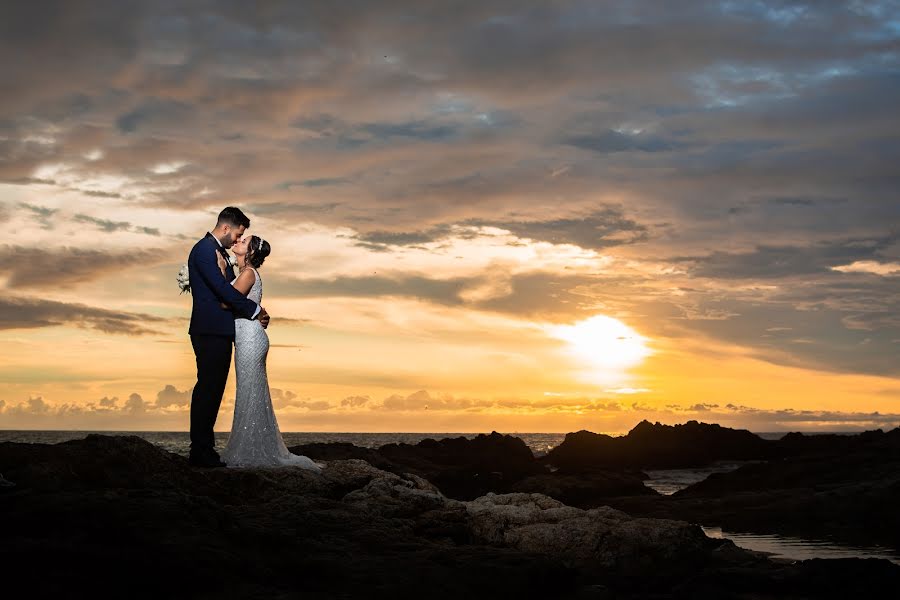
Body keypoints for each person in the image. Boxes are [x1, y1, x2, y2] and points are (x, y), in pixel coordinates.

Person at [218, 234, 324, 471]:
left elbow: (227, 302)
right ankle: (251, 445)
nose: (238, 241)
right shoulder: (246, 273)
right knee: (250, 393)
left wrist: (215, 273)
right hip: (248, 337)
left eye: (243, 241)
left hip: (250, 338)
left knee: (249, 392)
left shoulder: (248, 273)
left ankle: (252, 450)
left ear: (251, 252)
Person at [187, 207, 269, 468]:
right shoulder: (203, 251)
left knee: (213, 392)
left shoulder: (217, 253)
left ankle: (204, 449)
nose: (237, 240)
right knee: (208, 391)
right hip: (210, 330)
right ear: (225, 228)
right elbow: (224, 292)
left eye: (241, 237)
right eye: (237, 234)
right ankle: (200, 451)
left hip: (220, 331)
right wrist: (255, 311)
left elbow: (232, 290)